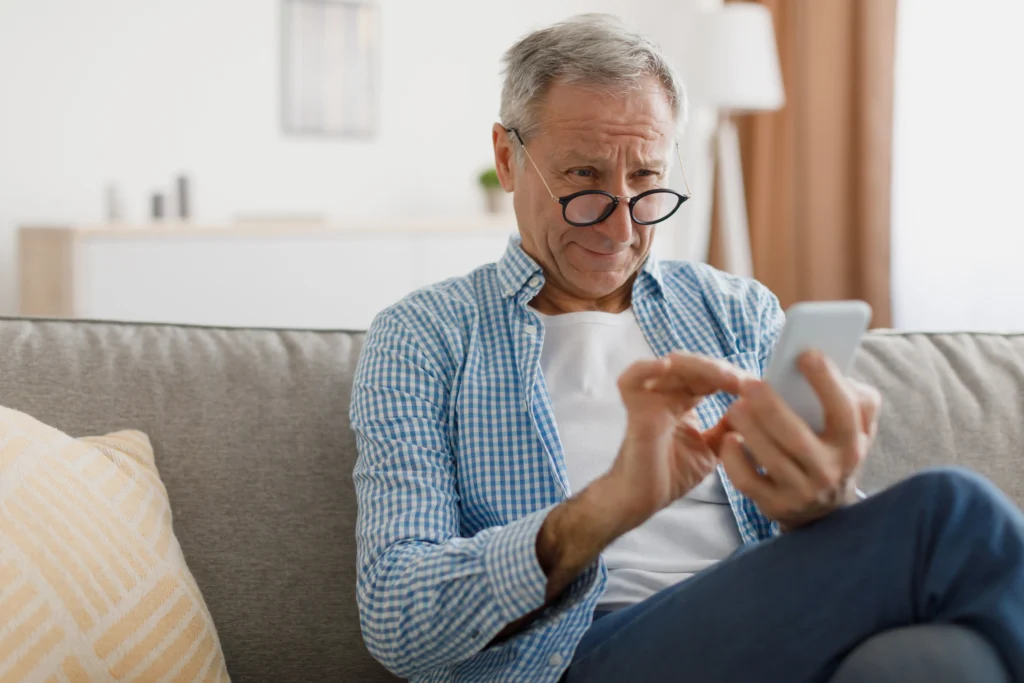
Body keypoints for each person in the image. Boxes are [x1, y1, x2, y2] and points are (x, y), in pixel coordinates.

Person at [350, 14, 1024, 683]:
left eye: (645, 179)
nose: (619, 225)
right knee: (950, 509)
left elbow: (821, 557)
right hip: (571, 655)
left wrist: (829, 500)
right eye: (583, 176)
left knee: (943, 661)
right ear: (507, 157)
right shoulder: (425, 336)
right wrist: (609, 504)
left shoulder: (736, 309)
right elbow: (397, 614)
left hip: (768, 632)